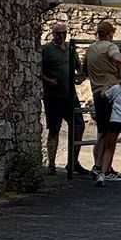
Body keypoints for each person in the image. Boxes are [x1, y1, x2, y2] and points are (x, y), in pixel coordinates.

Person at [40, 20, 85, 176]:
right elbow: (38, 70)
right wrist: (47, 80)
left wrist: (80, 76)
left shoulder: (70, 50)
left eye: (64, 33)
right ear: (53, 34)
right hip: (53, 96)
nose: (61, 36)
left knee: (79, 126)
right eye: (58, 33)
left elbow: (78, 67)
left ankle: (73, 162)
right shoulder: (45, 50)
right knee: (54, 129)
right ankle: (51, 164)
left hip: (70, 95)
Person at [84, 20, 121, 179]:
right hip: (111, 91)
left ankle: (99, 165)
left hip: (97, 91)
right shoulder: (110, 46)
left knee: (102, 131)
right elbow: (118, 58)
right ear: (109, 34)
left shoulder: (90, 48)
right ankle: (104, 168)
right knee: (111, 132)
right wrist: (120, 72)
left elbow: (84, 68)